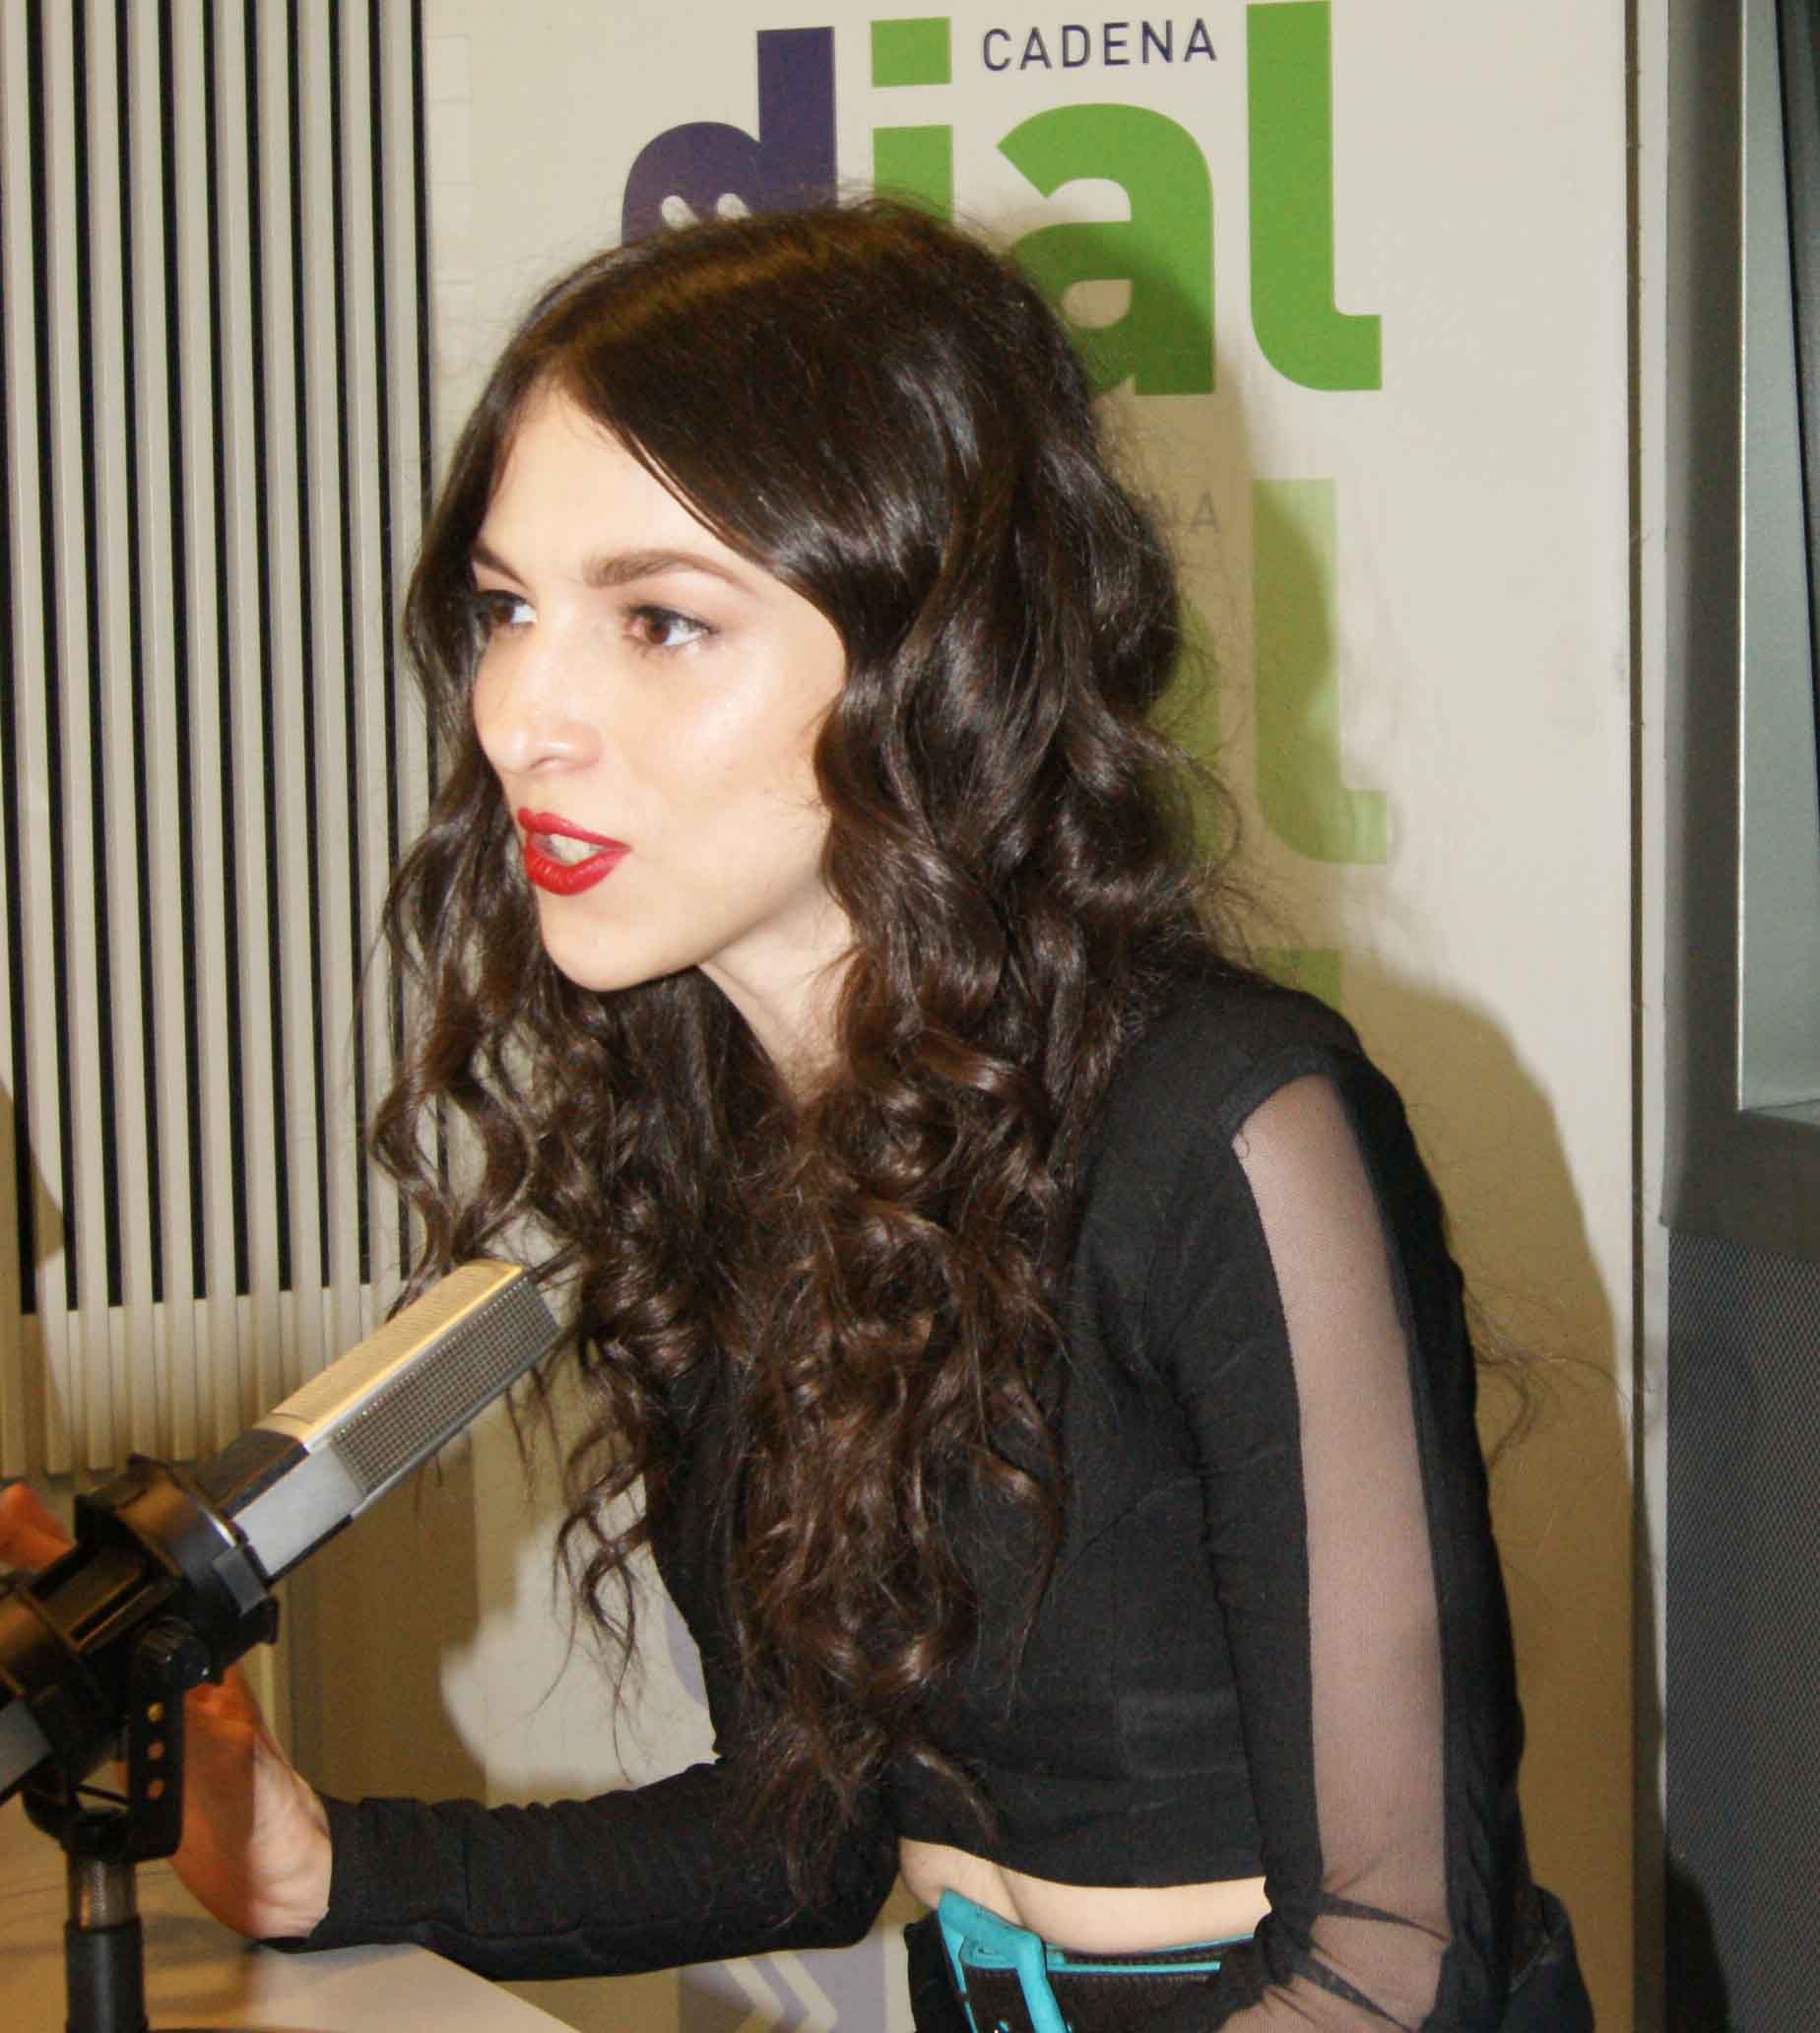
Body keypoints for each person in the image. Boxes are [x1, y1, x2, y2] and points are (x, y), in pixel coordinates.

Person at [0, 200, 1594, 2031]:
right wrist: (310, 1863)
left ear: (936, 659)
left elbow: (1394, 1967)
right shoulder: (719, 1161)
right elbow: (806, 1843)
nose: (521, 716)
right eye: (508, 610)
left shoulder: (1230, 1128)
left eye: (661, 622)